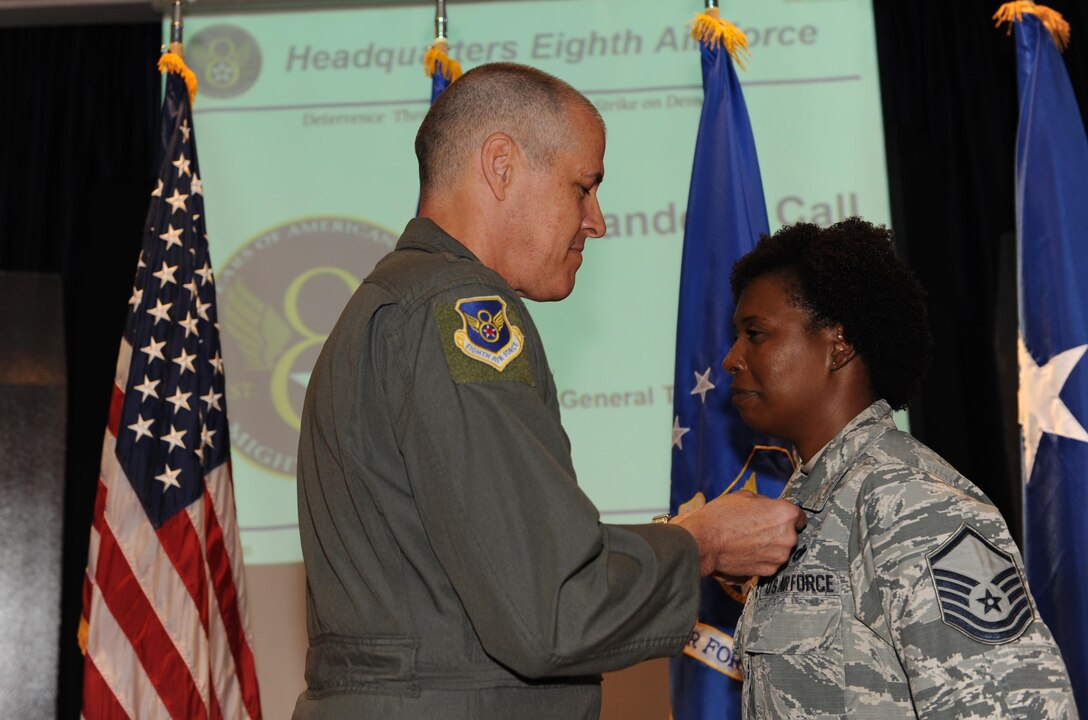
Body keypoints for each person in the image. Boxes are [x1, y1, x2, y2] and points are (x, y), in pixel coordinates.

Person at [292, 62, 805, 719]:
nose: (596, 220)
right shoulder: (462, 310)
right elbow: (550, 608)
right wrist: (700, 543)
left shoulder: (389, 304)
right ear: (502, 164)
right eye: (583, 186)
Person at [725, 218, 1077, 718]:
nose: (730, 359)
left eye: (754, 334)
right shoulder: (808, 504)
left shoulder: (914, 502)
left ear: (839, 345)